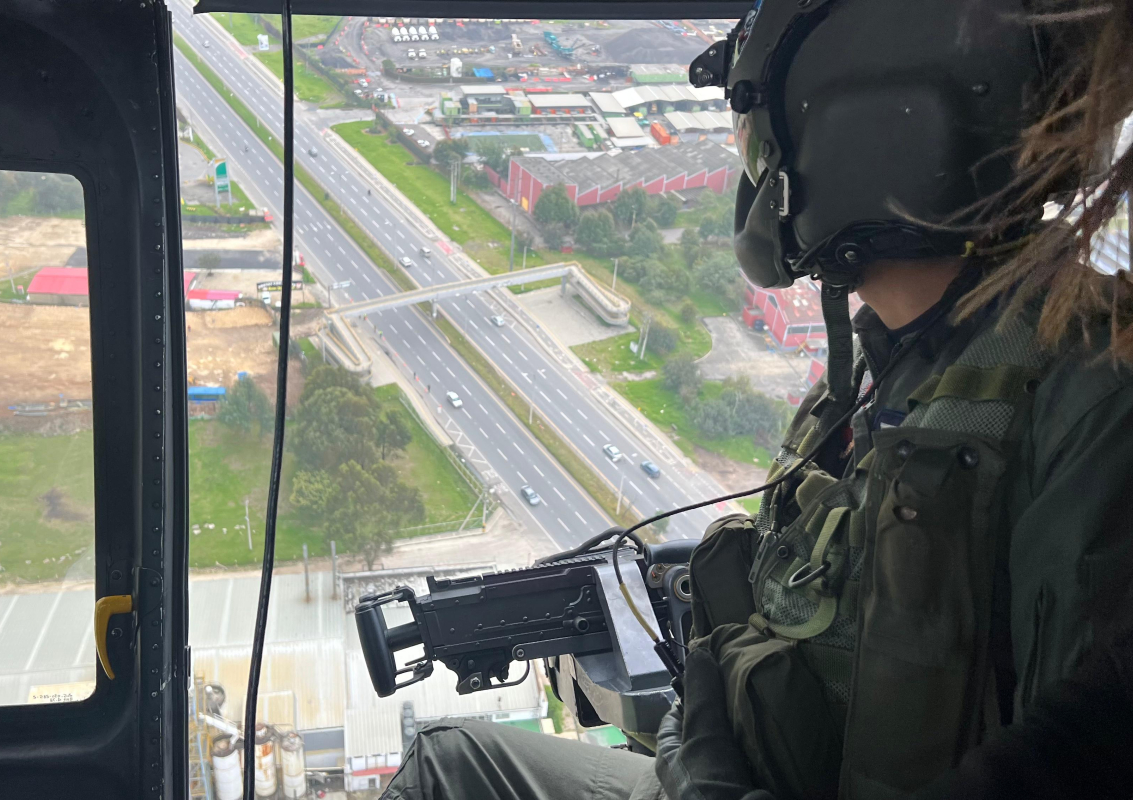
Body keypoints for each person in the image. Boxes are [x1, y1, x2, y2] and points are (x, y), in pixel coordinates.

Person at [380, 0, 1133, 798]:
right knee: (451, 756)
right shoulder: (892, 369)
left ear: (864, 132)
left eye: (760, 135)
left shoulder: (1085, 399)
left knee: (454, 771)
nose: (757, 169)